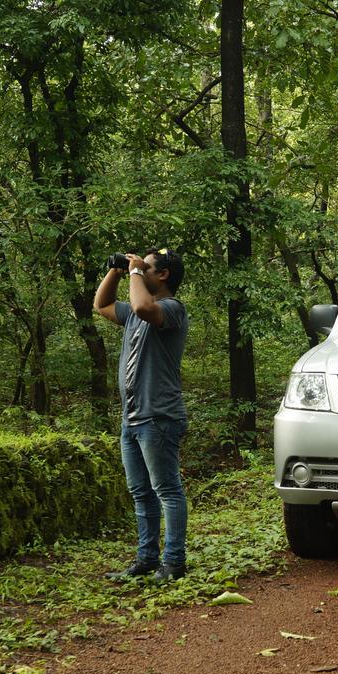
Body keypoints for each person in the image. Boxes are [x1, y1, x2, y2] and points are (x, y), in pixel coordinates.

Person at [94, 247, 189, 582]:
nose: (139, 270)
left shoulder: (170, 308)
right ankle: (147, 559)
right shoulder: (136, 313)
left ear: (162, 275)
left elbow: (142, 306)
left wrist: (135, 273)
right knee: (141, 492)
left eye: (146, 267)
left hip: (158, 416)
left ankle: (174, 562)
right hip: (132, 418)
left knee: (166, 489)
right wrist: (118, 271)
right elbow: (102, 305)